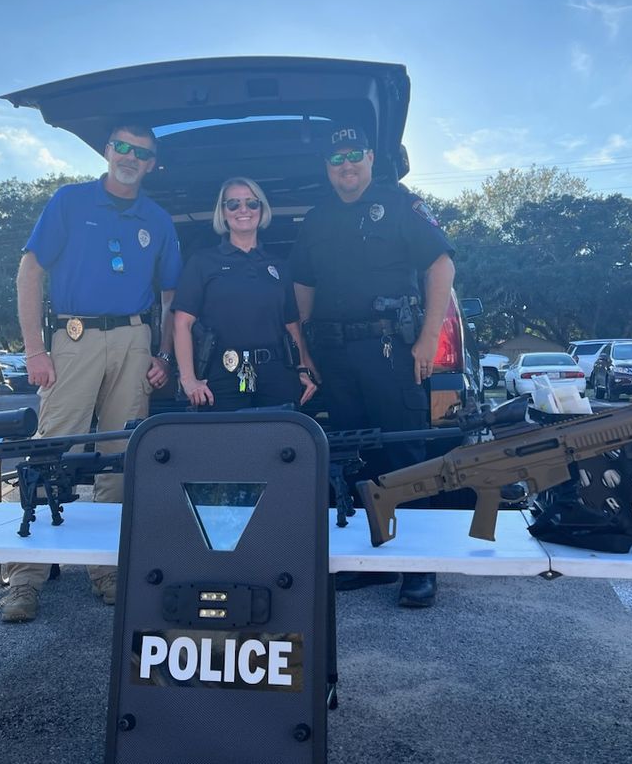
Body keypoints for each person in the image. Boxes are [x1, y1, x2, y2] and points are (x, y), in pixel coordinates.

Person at [2, 122, 182, 623]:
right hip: (73, 338)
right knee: (50, 448)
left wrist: (162, 356)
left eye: (140, 152)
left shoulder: (158, 219)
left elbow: (169, 298)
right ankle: (25, 579)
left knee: (121, 457)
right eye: (121, 147)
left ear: (151, 164)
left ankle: (108, 571)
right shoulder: (69, 201)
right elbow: (31, 272)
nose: (129, 157)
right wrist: (35, 351)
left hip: (133, 339)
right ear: (108, 152)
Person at [290, 124, 455, 609]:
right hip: (336, 356)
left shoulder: (401, 204)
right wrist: (303, 350)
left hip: (391, 352)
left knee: (404, 457)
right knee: (354, 457)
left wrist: (427, 339)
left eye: (354, 156)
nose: (346, 165)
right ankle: (377, 560)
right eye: (336, 158)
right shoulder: (316, 219)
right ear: (327, 166)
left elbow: (441, 265)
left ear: (369, 159)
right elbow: (303, 284)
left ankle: (418, 567)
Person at [173, 177, 318, 410]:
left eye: (252, 203)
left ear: (261, 210)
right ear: (223, 212)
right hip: (222, 375)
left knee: (279, 442)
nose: (244, 210)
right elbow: (182, 324)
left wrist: (301, 368)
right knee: (228, 444)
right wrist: (188, 379)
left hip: (277, 373)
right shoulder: (202, 262)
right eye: (233, 204)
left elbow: (292, 326)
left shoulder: (278, 266)